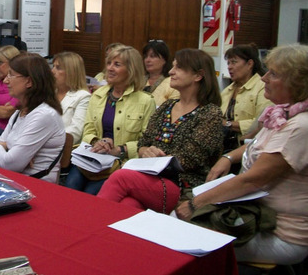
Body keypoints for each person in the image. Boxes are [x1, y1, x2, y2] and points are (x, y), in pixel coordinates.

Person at [176, 44, 308, 266]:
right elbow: (255, 145)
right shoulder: (284, 115)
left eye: (273, 74)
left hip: (278, 232)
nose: (264, 78)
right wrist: (227, 158)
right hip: (252, 215)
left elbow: (253, 179)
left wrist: (195, 204)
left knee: (181, 237)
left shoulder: (300, 126)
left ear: (298, 82)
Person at [97, 48, 223, 213]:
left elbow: (188, 160)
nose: (171, 72)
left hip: (182, 185)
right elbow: (143, 143)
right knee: (128, 205)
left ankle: (89, 222)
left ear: (198, 76)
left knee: (121, 177)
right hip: (150, 177)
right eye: (173, 66)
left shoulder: (210, 113)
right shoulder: (167, 106)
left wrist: (155, 156)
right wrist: (145, 151)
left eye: (178, 67)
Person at [65, 46, 156, 195]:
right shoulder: (98, 95)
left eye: (117, 64)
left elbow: (146, 141)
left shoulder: (145, 101)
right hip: (92, 157)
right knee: (70, 188)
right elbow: (88, 129)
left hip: (121, 163)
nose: (110, 68)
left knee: (90, 194)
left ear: (131, 69)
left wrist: (120, 149)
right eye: (109, 63)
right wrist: (97, 142)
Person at [0, 53, 66, 183]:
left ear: (29, 81)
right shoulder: (19, 112)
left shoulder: (44, 115)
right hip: (14, 180)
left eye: (11, 75)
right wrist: (4, 146)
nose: (6, 81)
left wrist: (3, 146)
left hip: (36, 185)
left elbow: (10, 164)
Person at [220, 43, 271, 152]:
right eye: (228, 63)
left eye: (234, 62)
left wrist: (228, 124)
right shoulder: (227, 90)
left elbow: (263, 122)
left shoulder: (263, 88)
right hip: (222, 146)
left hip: (247, 147)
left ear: (249, 64)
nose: (229, 67)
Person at [51, 51, 91, 178]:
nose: (52, 71)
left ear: (71, 72)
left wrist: (47, 139)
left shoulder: (83, 96)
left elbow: (76, 132)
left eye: (58, 68)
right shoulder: (49, 93)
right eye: (53, 66)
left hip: (64, 152)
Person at [142, 39, 179, 107]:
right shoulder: (138, 81)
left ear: (164, 60)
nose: (147, 60)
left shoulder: (173, 83)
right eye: (145, 56)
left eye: (153, 56)